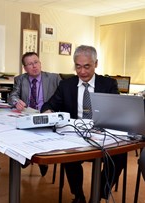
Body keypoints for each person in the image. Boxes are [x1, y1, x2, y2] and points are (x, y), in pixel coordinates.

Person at [41, 45, 126, 203]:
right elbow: (49, 105)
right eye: (78, 66)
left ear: (96, 64)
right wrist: (48, 111)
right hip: (75, 134)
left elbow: (118, 111)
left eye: (87, 66)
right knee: (68, 155)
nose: (82, 72)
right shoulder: (66, 85)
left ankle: (99, 194)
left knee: (120, 156)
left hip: (102, 134)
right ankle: (78, 196)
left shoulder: (108, 84)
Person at [8, 52, 61, 177]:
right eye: (30, 64)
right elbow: (12, 96)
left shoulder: (54, 78)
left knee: (41, 134)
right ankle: (26, 156)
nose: (34, 66)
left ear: (40, 63)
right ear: (25, 68)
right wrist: (16, 102)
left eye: (36, 62)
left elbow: (63, 97)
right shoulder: (20, 79)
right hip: (27, 116)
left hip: (47, 116)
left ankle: (40, 159)